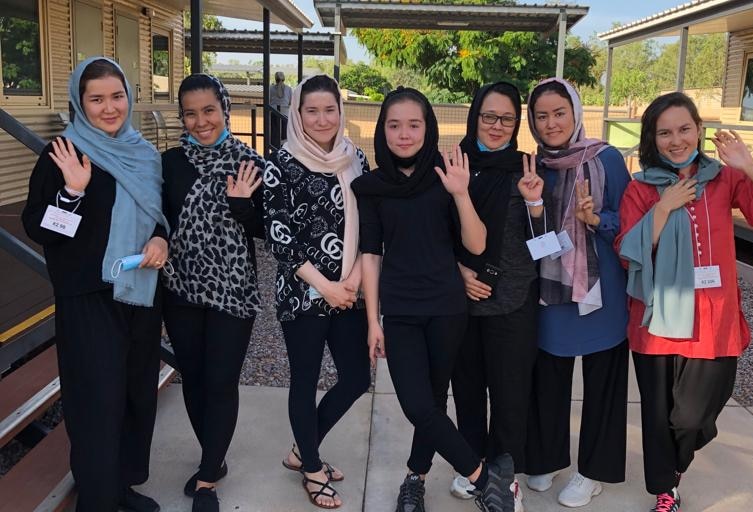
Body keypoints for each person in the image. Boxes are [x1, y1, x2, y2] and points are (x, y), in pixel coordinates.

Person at [352, 87, 516, 512]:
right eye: (394, 125)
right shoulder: (370, 186)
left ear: (429, 127)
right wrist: (373, 321)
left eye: (413, 124)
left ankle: (415, 479)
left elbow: (477, 246)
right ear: (381, 130)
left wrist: (461, 194)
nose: (404, 134)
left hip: (447, 308)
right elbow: (371, 254)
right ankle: (484, 478)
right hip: (402, 310)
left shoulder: (447, 174)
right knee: (417, 404)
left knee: (435, 399)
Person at [21, 57, 166, 512]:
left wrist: (163, 236)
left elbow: (159, 214)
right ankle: (98, 499)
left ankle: (122, 487)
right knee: (96, 403)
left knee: (135, 394)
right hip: (88, 298)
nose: (109, 108)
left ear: (129, 96)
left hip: (140, 292)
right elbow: (40, 228)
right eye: (96, 99)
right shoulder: (63, 153)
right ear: (80, 103)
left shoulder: (142, 152)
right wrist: (73, 192)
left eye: (117, 96)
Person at [616, 92, 753, 512]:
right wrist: (663, 209)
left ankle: (675, 468)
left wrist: (750, 167)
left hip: (715, 320)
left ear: (699, 130)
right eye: (665, 132)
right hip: (656, 321)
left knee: (693, 418)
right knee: (659, 415)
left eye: (684, 129)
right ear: (653, 138)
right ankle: (666, 489)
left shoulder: (725, 179)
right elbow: (628, 249)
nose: (676, 140)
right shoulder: (641, 188)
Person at [263, 74, 371, 510]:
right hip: (303, 294)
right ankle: (311, 465)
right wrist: (325, 287)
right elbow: (278, 235)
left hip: (349, 292)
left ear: (340, 112)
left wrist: (355, 282)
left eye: (330, 109)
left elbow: (370, 227)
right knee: (304, 382)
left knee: (357, 378)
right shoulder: (281, 163)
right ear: (297, 114)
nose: (322, 118)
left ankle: (301, 449)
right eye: (312, 110)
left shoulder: (355, 158)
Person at [524, 78, 631, 508]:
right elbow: (527, 235)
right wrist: (534, 208)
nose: (551, 124)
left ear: (576, 112)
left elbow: (631, 224)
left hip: (600, 292)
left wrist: (595, 220)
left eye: (559, 113)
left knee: (603, 383)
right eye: (541, 116)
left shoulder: (607, 159)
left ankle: (592, 471)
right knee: (548, 378)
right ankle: (546, 457)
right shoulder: (533, 165)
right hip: (552, 292)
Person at [161, 73, 265, 512]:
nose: (200, 121)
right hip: (180, 285)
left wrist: (243, 205)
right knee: (194, 376)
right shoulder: (168, 163)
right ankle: (214, 456)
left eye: (208, 110)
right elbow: (155, 218)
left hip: (233, 290)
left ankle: (207, 479)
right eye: (190, 112)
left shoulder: (249, 163)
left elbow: (267, 232)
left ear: (224, 108)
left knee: (221, 381)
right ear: (181, 116)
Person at [448, 82, 544, 511]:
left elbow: (547, 244)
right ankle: (473, 468)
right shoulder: (452, 163)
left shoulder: (526, 167)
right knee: (467, 389)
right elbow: (432, 231)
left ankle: (504, 479)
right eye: (489, 116)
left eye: (507, 118)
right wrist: (459, 272)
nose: (496, 126)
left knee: (508, 394)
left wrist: (536, 204)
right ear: (474, 116)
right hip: (461, 299)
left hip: (513, 300)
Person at [269, 71, 292, 148]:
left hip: (273, 114)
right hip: (285, 114)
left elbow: (268, 101)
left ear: (275, 79)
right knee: (284, 134)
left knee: (274, 133)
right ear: (284, 79)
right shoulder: (289, 89)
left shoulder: (270, 88)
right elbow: (290, 102)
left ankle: (274, 148)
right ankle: (284, 148)